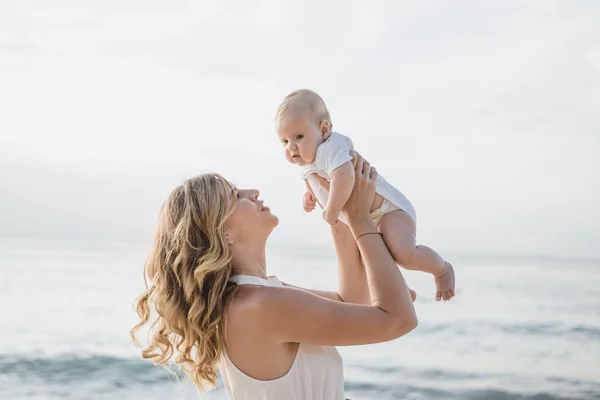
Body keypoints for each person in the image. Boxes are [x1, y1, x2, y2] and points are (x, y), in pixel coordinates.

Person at [131, 156, 417, 399]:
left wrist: (338, 213)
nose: (253, 192)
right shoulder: (259, 305)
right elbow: (398, 320)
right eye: (236, 195)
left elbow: (352, 301)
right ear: (223, 233)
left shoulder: (256, 296)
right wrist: (360, 221)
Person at [275, 89, 455, 301]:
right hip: (365, 220)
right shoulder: (306, 164)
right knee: (371, 258)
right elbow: (314, 184)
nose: (291, 147)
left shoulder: (331, 147)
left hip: (388, 211)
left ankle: (442, 269)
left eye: (298, 137)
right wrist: (309, 196)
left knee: (404, 254)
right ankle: (401, 290)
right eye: (284, 141)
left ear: (324, 130)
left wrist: (331, 209)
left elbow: (343, 177)